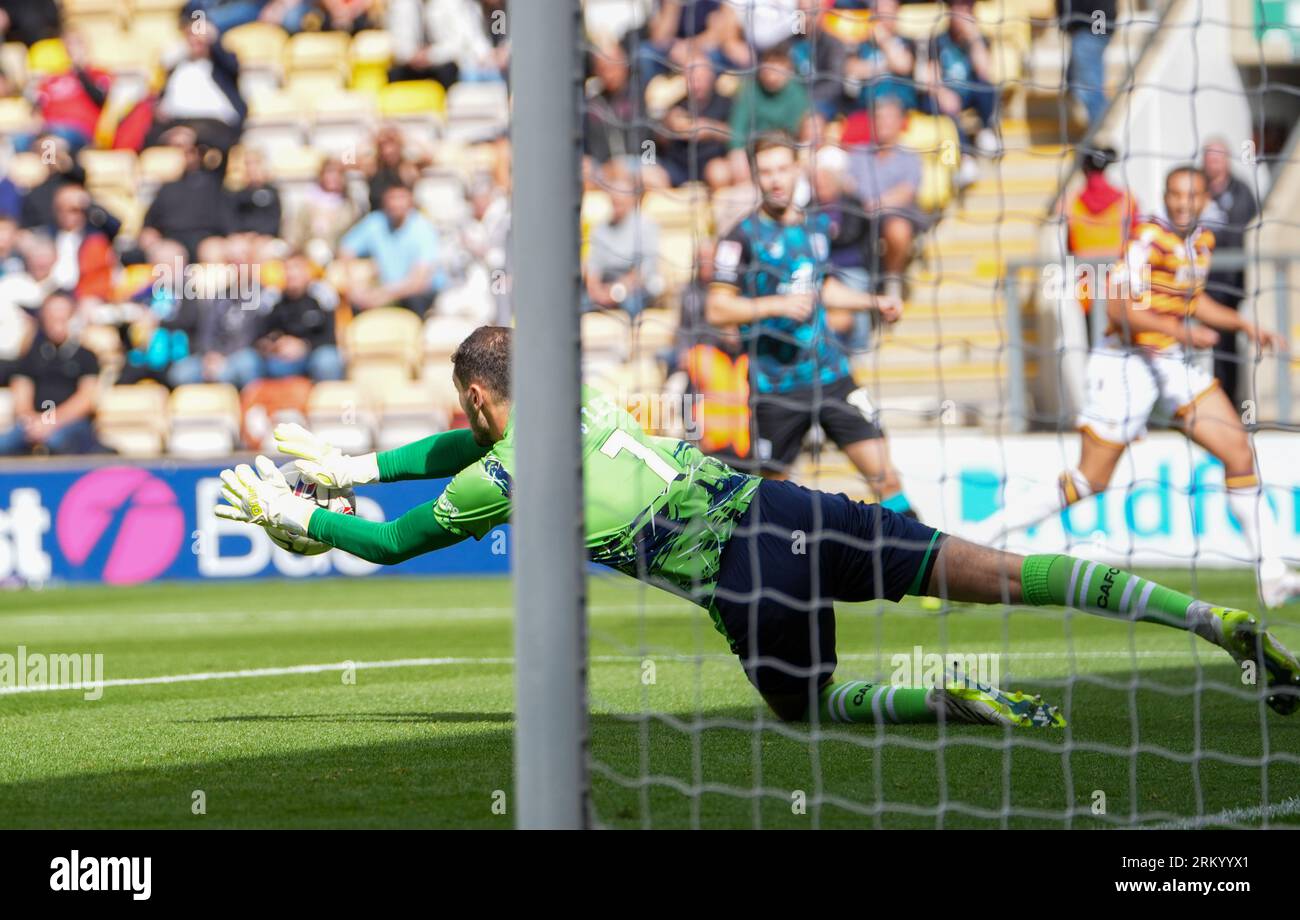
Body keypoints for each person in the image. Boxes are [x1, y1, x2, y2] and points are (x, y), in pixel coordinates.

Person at [215, 325, 1300, 725]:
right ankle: (1208, 618)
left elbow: (398, 540)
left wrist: (304, 518)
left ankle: (952, 700)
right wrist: (357, 467)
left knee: (808, 710)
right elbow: (454, 453)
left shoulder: (507, 469)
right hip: (785, 502)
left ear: (478, 401)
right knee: (1005, 572)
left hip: (744, 572)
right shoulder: (580, 401)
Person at [971, 165, 1300, 609]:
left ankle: (1272, 572)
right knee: (1089, 479)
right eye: (1175, 194)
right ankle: (981, 537)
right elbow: (1118, 310)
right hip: (1124, 364)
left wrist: (1240, 322)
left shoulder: (1200, 241)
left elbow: (1191, 299)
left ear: (1205, 199)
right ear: (1164, 196)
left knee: (1239, 452)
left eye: (1191, 195)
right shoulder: (1146, 238)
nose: (1183, 202)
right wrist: (1186, 333)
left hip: (1167, 361)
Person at [707, 132, 916, 514]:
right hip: (776, 387)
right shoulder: (740, 238)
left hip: (832, 376)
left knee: (886, 477)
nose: (775, 179)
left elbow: (823, 288)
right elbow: (717, 309)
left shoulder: (816, 228)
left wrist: (872, 300)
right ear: (755, 176)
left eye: (782, 169)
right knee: (773, 502)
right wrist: (776, 305)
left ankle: (922, 569)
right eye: (766, 171)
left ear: (797, 170)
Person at [0, 290, 105, 456]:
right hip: (33, 423)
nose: (57, 320)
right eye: (52, 314)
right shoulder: (30, 355)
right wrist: (33, 422)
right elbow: (21, 394)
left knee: (57, 442)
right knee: (4, 443)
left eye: (62, 314)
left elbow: (86, 399)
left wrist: (51, 422)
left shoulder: (86, 356)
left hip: (72, 423)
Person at [1200, 137, 1259, 404]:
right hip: (1199, 281)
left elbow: (1243, 234)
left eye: (1217, 157)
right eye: (1209, 158)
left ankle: (1228, 400)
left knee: (1227, 344)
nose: (1213, 163)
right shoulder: (1196, 190)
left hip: (1230, 282)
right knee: (1202, 343)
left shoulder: (1241, 191)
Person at [338, 182, 445, 316]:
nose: (396, 203)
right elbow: (346, 249)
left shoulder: (423, 228)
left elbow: (419, 281)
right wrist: (353, 285)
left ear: (410, 200)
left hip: (414, 295)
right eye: (392, 198)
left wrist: (383, 295)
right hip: (383, 292)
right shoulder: (375, 222)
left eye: (401, 197)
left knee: (413, 302)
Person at [1058, 0, 1116, 128]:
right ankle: (1096, 124)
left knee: (1089, 84)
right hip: (1083, 28)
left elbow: (1101, 9)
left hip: (1091, 28)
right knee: (1078, 80)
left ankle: (1099, 127)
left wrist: (1097, 30)